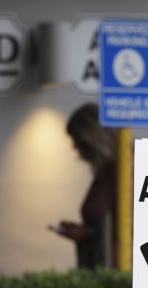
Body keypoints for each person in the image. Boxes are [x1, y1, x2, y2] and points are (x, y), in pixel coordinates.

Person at [49, 103, 117, 269]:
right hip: (101, 266)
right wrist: (86, 232)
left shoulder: (120, 171)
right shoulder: (105, 174)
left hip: (114, 271)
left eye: (78, 143)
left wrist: (88, 234)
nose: (75, 149)